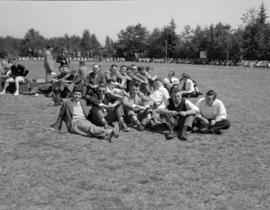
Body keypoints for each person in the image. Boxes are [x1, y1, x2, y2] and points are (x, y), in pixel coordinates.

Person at [51, 86, 119, 142]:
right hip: (74, 121)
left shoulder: (83, 102)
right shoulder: (67, 103)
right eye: (75, 94)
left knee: (90, 131)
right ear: (72, 94)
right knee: (90, 128)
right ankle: (109, 132)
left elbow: (88, 109)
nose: (77, 96)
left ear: (81, 96)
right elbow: (60, 115)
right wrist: (56, 126)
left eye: (78, 95)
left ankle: (107, 137)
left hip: (84, 120)